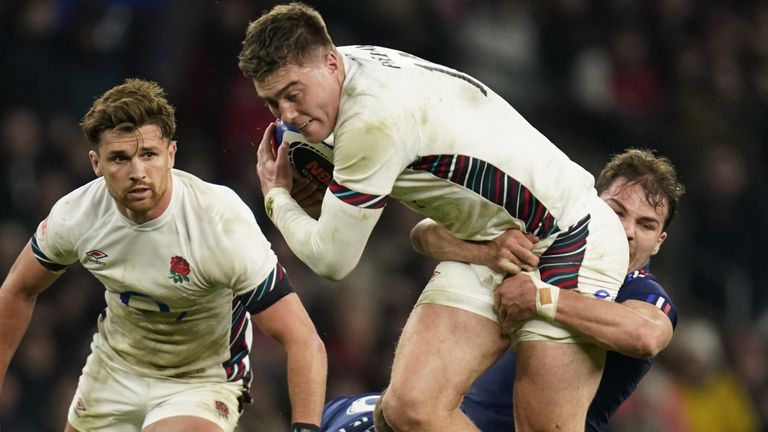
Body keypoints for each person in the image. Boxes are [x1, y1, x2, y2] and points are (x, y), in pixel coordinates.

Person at [240, 3, 629, 431]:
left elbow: (333, 261)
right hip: (493, 243)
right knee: (409, 409)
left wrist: (277, 197)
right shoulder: (346, 65)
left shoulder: (371, 121)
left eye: (293, 94)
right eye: (272, 102)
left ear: (330, 62)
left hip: (570, 237)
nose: (286, 116)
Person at [0, 79, 327, 432]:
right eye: (120, 159)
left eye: (149, 155)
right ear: (96, 163)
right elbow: (18, 290)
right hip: (114, 372)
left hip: (200, 380)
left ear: (171, 154)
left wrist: (305, 428)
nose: (137, 172)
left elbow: (303, 340)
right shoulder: (77, 214)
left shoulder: (219, 223)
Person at [319, 148, 684, 432]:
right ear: (592, 205)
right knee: (342, 415)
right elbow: (424, 234)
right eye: (616, 211)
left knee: (403, 410)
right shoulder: (553, 240)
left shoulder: (644, 294)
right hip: (447, 414)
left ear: (659, 242)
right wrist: (486, 250)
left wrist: (541, 298)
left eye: (646, 224)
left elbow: (646, 334)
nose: (627, 230)